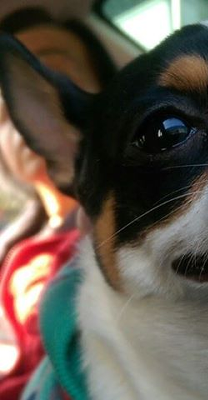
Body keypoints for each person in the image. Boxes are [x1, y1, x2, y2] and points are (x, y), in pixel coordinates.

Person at [0, 7, 116, 399]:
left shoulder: (127, 231)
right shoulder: (16, 251)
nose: (21, 107)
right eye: (7, 96)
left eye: (51, 72)